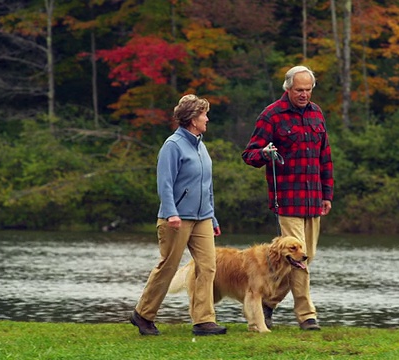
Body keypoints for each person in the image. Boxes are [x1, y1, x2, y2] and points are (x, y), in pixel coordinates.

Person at [241, 65, 334, 331]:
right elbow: (249, 154)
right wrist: (265, 153)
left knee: (305, 258)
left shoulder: (317, 114)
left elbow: (325, 157)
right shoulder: (272, 115)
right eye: (299, 90)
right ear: (288, 89)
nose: (304, 94)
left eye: (308, 90)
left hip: (313, 199)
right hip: (287, 200)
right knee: (298, 258)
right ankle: (307, 316)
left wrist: (327, 194)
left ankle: (268, 304)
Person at [131, 94, 226, 336]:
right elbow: (165, 183)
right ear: (193, 119)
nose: (207, 118)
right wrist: (171, 212)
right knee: (168, 267)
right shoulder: (172, 146)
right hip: (176, 218)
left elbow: (207, 186)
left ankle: (204, 320)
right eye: (204, 114)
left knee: (208, 267)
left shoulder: (201, 145)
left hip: (203, 217)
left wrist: (212, 217)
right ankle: (143, 314)